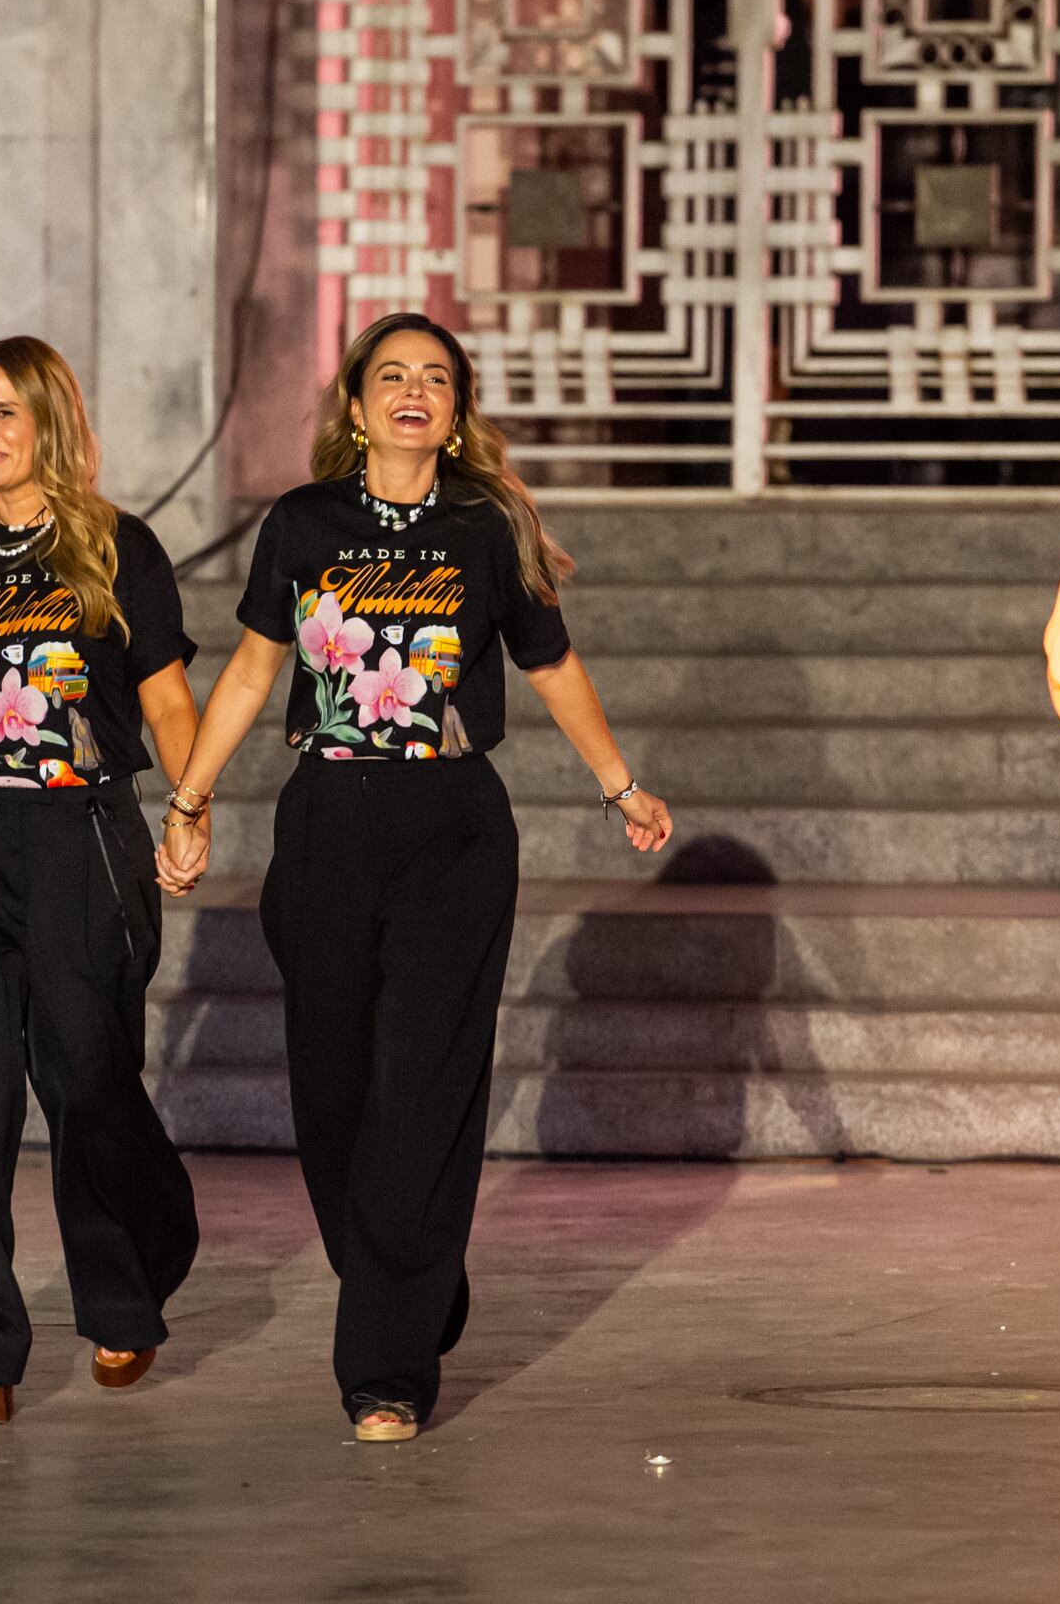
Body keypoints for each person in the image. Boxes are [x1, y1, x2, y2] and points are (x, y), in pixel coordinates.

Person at [155, 311, 673, 1443]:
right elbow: (250, 672)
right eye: (390, 375)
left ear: (454, 411)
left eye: (434, 378)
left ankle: (384, 1367)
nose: (412, 390)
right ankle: (415, 1273)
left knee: (423, 1087)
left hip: (452, 826)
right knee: (334, 1093)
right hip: (327, 820)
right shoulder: (301, 523)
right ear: (354, 406)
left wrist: (618, 784)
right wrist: (190, 799)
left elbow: (550, 661)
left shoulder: (488, 526)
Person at [0, 336, 202, 1425]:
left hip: (81, 839)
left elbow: (164, 699)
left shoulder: (117, 547)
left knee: (88, 1083)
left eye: (4, 412)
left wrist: (192, 806)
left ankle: (126, 1282)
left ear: (50, 424)